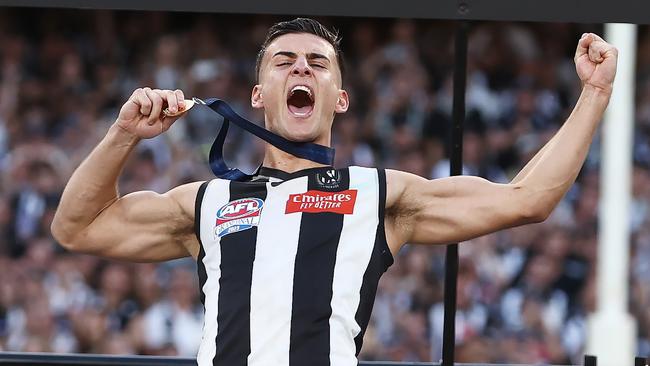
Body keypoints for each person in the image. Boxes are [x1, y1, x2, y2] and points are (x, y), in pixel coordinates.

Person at [51, 18, 617, 366]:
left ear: (339, 99)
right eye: (285, 62)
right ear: (257, 94)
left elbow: (528, 198)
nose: (303, 68)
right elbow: (76, 227)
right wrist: (124, 135)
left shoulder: (379, 194)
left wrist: (593, 94)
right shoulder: (205, 201)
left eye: (319, 64)